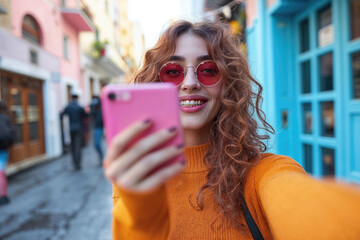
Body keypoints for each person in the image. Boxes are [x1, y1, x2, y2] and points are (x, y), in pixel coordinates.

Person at [103, 20, 360, 239]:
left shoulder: (262, 174)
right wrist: (140, 206)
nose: (190, 83)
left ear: (228, 85)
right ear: (154, 83)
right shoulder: (137, 178)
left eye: (209, 70)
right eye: (173, 71)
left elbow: (304, 205)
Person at [62, 93, 87, 171]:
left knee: (72, 146)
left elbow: (62, 115)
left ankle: (74, 162)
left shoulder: (68, 106)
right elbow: (85, 116)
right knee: (78, 146)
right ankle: (78, 163)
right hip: (79, 128)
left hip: (70, 128)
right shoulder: (79, 107)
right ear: (77, 98)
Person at [0, 100, 14, 206]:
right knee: (1, 173)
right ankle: (3, 195)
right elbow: (11, 134)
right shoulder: (6, 118)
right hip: (3, 149)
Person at [90, 96, 104, 166]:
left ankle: (103, 158)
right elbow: (91, 115)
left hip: (103, 127)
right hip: (97, 127)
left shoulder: (103, 106)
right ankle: (101, 156)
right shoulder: (94, 108)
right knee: (96, 144)